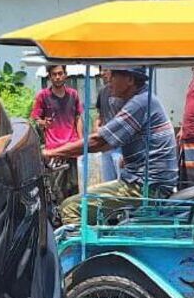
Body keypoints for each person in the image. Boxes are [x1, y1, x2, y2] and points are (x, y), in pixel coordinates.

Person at [47, 67, 178, 225]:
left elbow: (100, 141)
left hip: (146, 187)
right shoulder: (142, 99)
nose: (108, 79)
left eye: (113, 75)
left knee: (71, 207)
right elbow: (106, 143)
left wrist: (51, 153)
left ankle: (83, 250)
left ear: (130, 80)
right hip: (145, 181)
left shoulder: (140, 102)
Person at [31, 65, 84, 201]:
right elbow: (36, 118)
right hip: (54, 149)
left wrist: (81, 141)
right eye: (54, 74)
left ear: (65, 74)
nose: (57, 77)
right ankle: (58, 218)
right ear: (49, 77)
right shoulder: (43, 96)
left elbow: (78, 118)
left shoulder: (73, 94)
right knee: (56, 188)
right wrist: (43, 123)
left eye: (60, 73)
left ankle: (72, 216)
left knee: (73, 186)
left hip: (71, 146)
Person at [95, 69, 124, 182]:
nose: (103, 73)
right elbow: (100, 115)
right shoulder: (102, 91)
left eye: (106, 70)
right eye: (101, 70)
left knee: (121, 182)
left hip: (120, 144)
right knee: (108, 184)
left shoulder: (124, 92)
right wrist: (96, 126)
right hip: (106, 144)